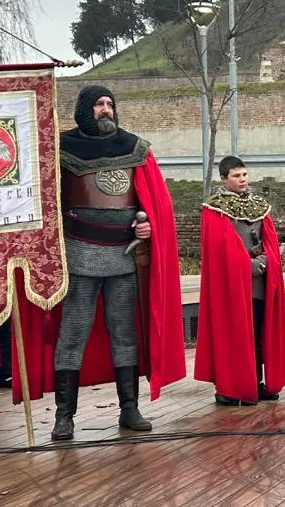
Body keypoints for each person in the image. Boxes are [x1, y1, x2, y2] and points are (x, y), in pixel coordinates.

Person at [18, 86, 184, 441]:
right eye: (98, 104)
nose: (105, 109)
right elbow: (43, 200)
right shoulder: (59, 149)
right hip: (79, 254)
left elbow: (154, 201)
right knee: (73, 334)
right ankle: (64, 416)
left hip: (124, 256)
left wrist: (148, 225)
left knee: (124, 333)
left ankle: (129, 408)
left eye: (110, 103)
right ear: (83, 109)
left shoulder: (134, 148)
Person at [195, 156, 285, 406]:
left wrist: (266, 260)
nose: (242, 180)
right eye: (236, 176)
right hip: (230, 283)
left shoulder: (259, 205)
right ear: (224, 178)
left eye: (245, 175)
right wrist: (247, 265)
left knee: (258, 331)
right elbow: (219, 247)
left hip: (259, 282)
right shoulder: (214, 208)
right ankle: (229, 388)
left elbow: (269, 240)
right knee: (234, 333)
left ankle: (255, 383)